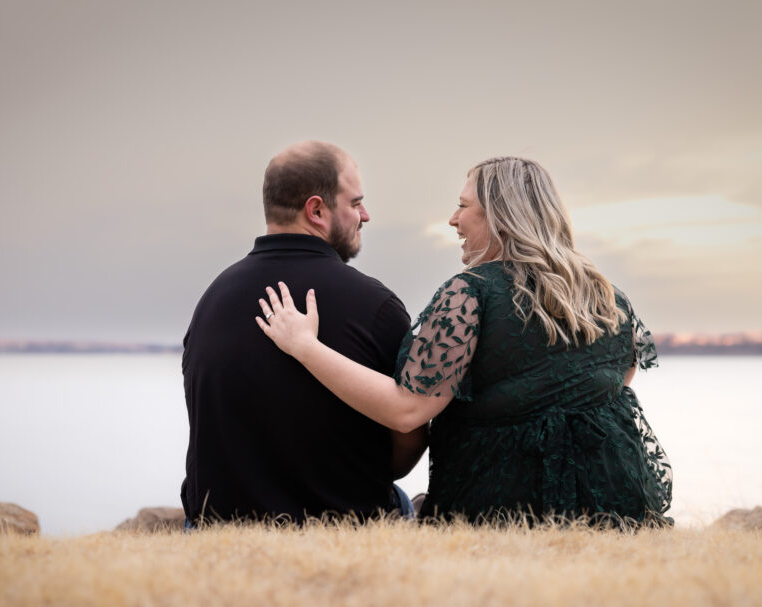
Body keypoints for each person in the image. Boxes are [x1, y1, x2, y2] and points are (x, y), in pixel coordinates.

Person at [257, 156, 672, 526]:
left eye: (462, 206)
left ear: (500, 216)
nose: (454, 220)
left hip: (500, 511)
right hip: (616, 512)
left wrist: (305, 347)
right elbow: (620, 378)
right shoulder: (607, 295)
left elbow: (408, 410)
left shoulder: (472, 293)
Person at [180, 141, 427, 526]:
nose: (365, 214)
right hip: (346, 524)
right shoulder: (375, 306)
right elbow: (408, 441)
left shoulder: (211, 302)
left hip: (216, 527)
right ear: (316, 210)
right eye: (355, 203)